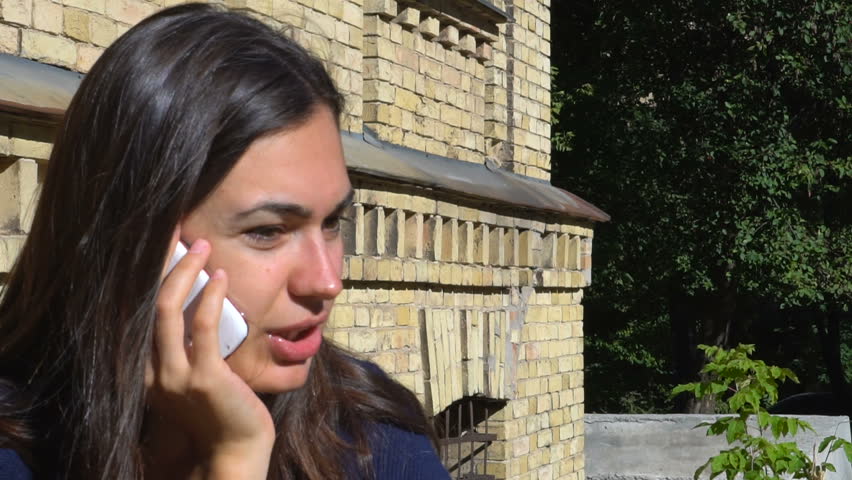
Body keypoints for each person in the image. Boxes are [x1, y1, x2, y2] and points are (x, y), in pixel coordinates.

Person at [0, 3, 450, 479]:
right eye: (268, 231)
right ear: (136, 243)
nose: (326, 281)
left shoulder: (371, 435)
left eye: (332, 222)